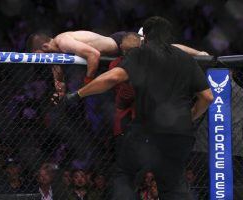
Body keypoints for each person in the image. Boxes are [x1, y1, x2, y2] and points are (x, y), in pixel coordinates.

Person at [62, 16, 214, 200]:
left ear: (146, 38)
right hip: (179, 134)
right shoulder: (186, 59)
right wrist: (191, 116)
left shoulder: (141, 54)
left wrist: (78, 93)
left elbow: (112, 78)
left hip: (147, 131)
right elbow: (207, 97)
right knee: (173, 187)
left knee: (125, 176)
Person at [26, 31, 208, 98]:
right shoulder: (56, 52)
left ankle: (199, 54)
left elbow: (93, 54)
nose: (40, 59)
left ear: (44, 46)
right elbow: (56, 68)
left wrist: (88, 82)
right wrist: (60, 86)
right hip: (119, 52)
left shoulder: (63, 40)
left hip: (121, 42)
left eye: (39, 55)